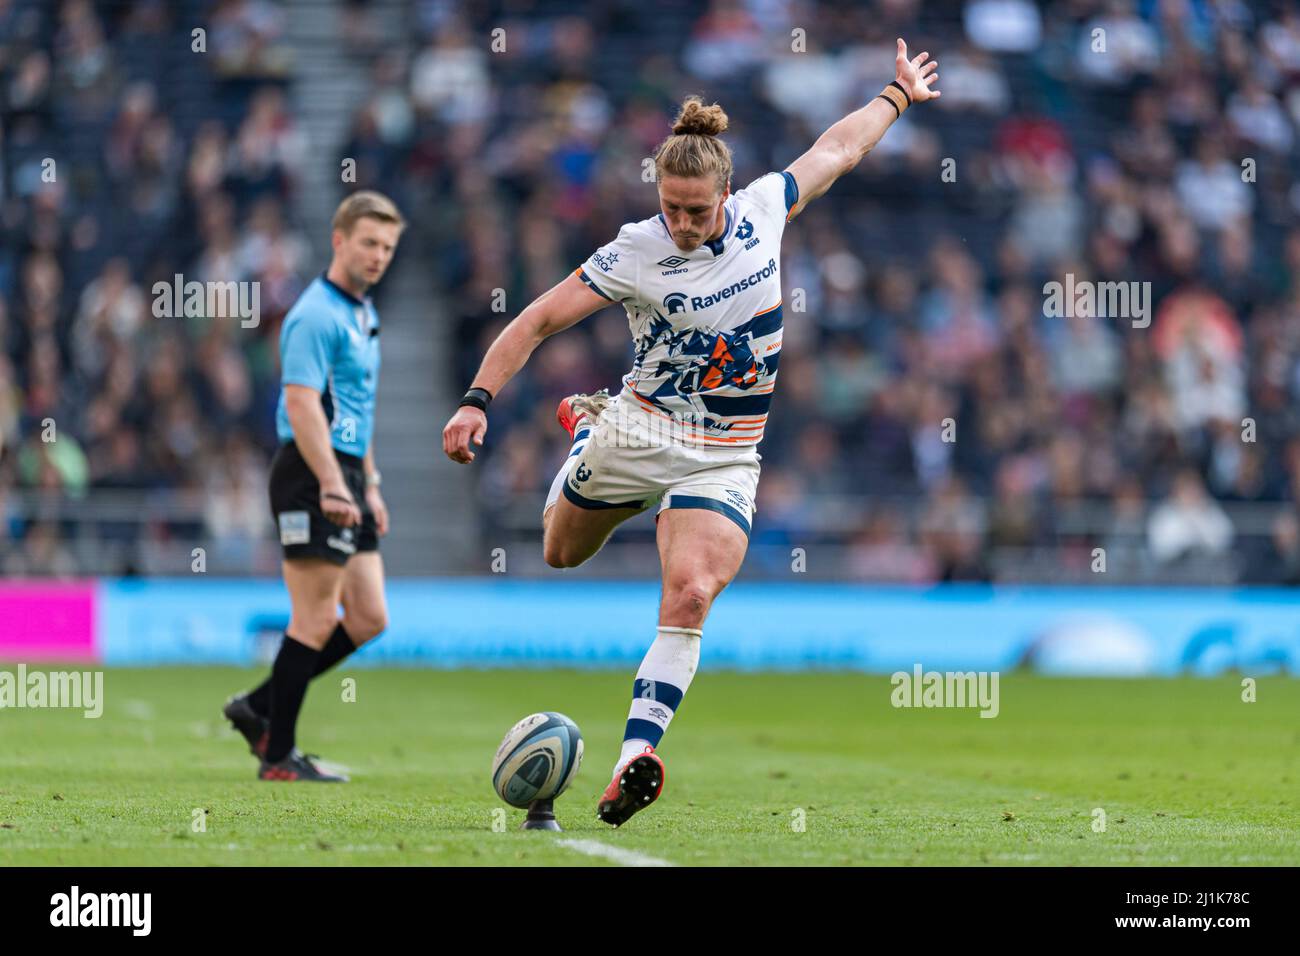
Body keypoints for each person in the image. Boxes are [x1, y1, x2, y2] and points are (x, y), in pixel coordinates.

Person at [442, 40, 940, 825]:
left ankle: (635, 756)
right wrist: (477, 400)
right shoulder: (635, 250)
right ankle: (583, 430)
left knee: (692, 591)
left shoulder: (766, 209)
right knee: (559, 551)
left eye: (695, 209)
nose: (679, 222)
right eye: (669, 206)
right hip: (637, 431)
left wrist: (897, 95)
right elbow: (537, 319)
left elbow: (838, 149)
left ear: (728, 192)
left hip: (726, 453)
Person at [223, 190, 404, 781]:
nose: (378, 256)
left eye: (387, 246)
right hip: (309, 472)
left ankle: (257, 707)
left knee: (369, 615)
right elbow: (301, 404)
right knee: (315, 617)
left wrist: (368, 484)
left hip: (348, 469)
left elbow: (359, 406)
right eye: (369, 243)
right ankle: (277, 756)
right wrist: (331, 483)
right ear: (339, 241)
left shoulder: (364, 313)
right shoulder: (313, 315)